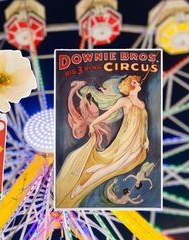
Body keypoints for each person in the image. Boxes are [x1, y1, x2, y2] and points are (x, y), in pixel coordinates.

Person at [56, 75, 149, 208]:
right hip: (127, 137)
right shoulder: (124, 101)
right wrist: (93, 123)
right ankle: (81, 187)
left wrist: (146, 139)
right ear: (129, 86)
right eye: (134, 82)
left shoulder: (141, 104)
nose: (138, 83)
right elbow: (108, 113)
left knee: (121, 164)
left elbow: (144, 123)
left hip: (138, 140)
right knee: (114, 164)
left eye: (137, 82)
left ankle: (91, 170)